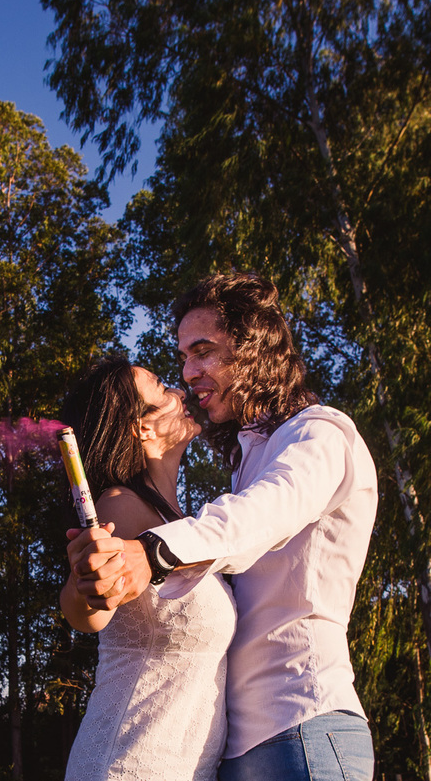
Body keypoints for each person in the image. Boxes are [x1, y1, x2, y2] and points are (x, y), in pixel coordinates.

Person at [69, 272, 377, 780]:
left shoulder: (320, 434)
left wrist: (151, 553)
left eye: (203, 351)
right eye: (183, 358)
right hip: (235, 749)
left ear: (254, 349)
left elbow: (262, 514)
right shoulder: (246, 462)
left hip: (302, 720)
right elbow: (87, 608)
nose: (188, 373)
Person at [60, 356, 236, 781]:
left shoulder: (174, 521)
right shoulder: (122, 505)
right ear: (143, 428)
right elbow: (86, 611)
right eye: (163, 389)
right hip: (127, 765)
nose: (180, 393)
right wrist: (90, 584)